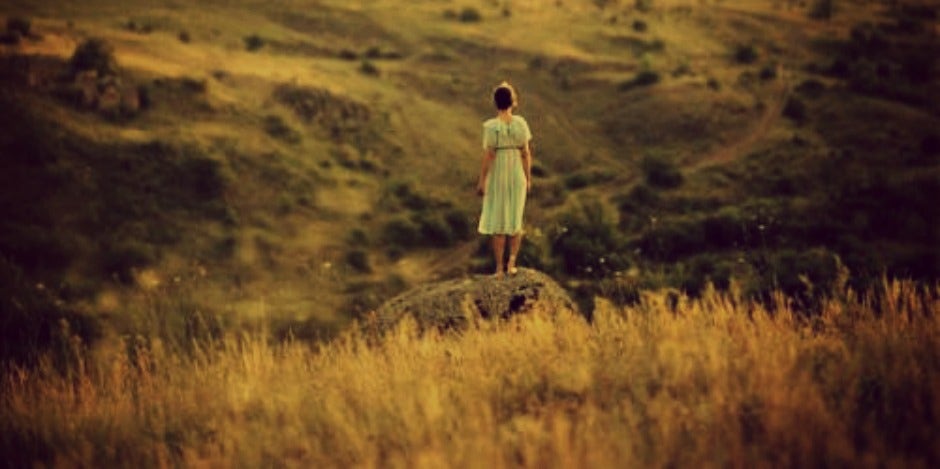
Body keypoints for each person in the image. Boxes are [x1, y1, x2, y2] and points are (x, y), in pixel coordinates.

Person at [476, 81, 533, 278]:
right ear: (513, 101)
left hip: (498, 173)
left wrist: (482, 180)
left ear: (495, 102)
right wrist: (528, 178)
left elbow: (489, 155)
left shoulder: (491, 126)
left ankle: (499, 267)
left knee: (498, 221)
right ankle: (512, 263)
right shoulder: (521, 123)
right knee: (515, 219)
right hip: (517, 173)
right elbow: (526, 153)